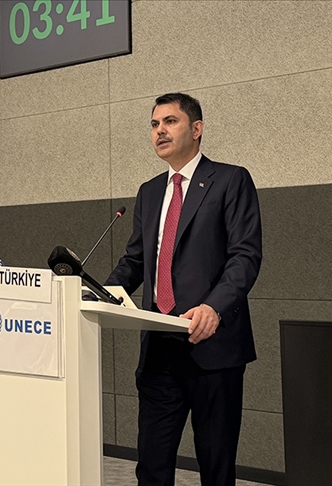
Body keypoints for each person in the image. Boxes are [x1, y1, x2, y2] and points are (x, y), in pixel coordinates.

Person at [105, 93, 262, 486]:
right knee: (152, 465)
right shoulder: (149, 191)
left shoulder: (230, 180)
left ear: (197, 129)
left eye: (170, 121)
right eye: (154, 124)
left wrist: (214, 307)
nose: (160, 131)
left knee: (215, 466)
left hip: (211, 343)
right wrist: (99, 293)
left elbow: (244, 256)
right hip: (159, 347)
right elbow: (135, 261)